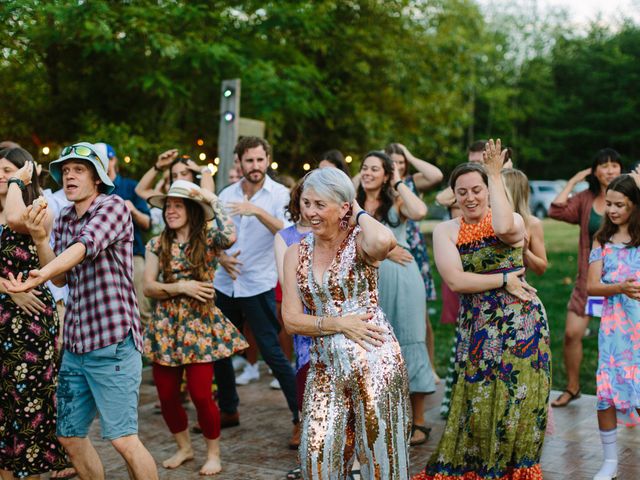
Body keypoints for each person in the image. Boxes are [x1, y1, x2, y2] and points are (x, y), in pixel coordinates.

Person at [4, 142, 158, 480]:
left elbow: (82, 248)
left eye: (79, 170)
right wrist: (41, 238)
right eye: (66, 170)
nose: (70, 176)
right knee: (69, 436)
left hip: (113, 342)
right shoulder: (64, 218)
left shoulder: (113, 207)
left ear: (98, 178)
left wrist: (36, 277)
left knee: (123, 439)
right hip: (76, 345)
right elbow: (60, 275)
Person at [415, 140, 551, 480]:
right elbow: (456, 281)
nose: (471, 197)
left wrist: (493, 173)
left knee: (518, 396)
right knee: (477, 396)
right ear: (454, 196)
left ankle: (516, 466)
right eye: (462, 192)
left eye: (477, 189)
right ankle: (478, 464)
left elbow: (505, 230)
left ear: (490, 191)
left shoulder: (512, 219)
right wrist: (504, 279)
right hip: (479, 324)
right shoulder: (447, 230)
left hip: (523, 323)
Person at [282, 167, 410, 479]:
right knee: (316, 457)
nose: (310, 212)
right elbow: (291, 320)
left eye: (320, 205)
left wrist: (360, 213)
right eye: (307, 203)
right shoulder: (295, 252)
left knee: (383, 462)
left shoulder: (361, 242)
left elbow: (385, 240)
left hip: (376, 363)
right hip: (325, 366)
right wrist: (340, 324)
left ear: (344, 208)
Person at [143, 179, 248, 475]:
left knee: (202, 395)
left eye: (177, 205)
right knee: (166, 396)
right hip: (166, 326)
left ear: (191, 209)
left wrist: (210, 198)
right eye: (168, 206)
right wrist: (183, 286)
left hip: (199, 325)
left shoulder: (208, 238)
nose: (170, 211)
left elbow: (230, 235)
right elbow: (149, 287)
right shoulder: (156, 243)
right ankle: (184, 447)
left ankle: (213, 453)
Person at [212, 136, 299, 445]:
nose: (255, 166)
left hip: (259, 284)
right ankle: (229, 410)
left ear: (268, 160)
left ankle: (299, 418)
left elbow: (291, 233)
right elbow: (213, 236)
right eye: (249, 160)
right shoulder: (225, 194)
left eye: (260, 160)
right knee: (220, 350)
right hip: (225, 284)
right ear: (239, 162)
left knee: (273, 353)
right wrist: (220, 256)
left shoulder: (280, 194)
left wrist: (256, 211)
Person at [358, 150, 435, 446]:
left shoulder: (397, 201)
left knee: (408, 341)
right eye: (364, 168)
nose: (367, 173)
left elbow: (420, 212)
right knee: (374, 346)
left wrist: (399, 181)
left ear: (387, 174)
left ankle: (418, 422)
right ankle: (383, 415)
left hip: (401, 278)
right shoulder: (353, 203)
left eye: (374, 169)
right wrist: (385, 250)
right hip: (367, 279)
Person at [0, 148, 68, 479]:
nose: (2, 174)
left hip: (30, 321)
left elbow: (16, 220)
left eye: (8, 169)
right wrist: (8, 290)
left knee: (29, 401)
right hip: (4, 311)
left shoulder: (39, 209)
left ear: (25, 174)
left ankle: (35, 469)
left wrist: (17, 182)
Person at [549, 148, 622, 407]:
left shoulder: (632, 197)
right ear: (595, 171)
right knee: (571, 334)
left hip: (622, 283)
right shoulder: (586, 198)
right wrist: (573, 181)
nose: (610, 169)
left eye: (615, 165)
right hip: (589, 281)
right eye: (604, 165)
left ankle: (626, 393)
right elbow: (556, 211)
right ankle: (573, 387)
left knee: (622, 341)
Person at [586, 173, 640, 480]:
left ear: (635, 205)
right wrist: (619, 287)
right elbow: (592, 286)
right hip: (614, 330)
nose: (612, 210)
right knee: (606, 393)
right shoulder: (602, 240)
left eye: (620, 204)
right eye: (609, 204)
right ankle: (610, 462)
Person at [385, 143, 443, 384]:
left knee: (420, 315)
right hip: (389, 249)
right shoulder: (378, 185)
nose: (397, 166)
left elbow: (436, 176)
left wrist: (408, 154)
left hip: (413, 247)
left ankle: (428, 367)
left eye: (401, 162)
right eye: (392, 162)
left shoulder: (410, 181)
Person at [99, 142, 153, 327]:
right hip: (102, 258)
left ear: (114, 160)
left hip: (133, 255)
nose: (102, 163)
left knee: (141, 307)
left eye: (106, 159)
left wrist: (132, 211)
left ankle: (145, 354)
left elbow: (147, 223)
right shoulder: (94, 190)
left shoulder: (131, 186)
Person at [501, 168, 548, 275]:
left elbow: (541, 269)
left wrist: (525, 251)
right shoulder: (487, 218)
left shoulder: (532, 224)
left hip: (516, 287)